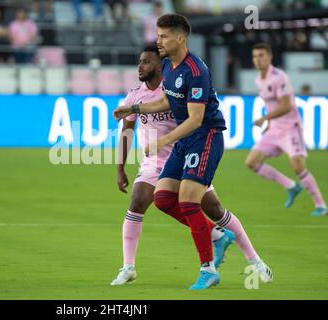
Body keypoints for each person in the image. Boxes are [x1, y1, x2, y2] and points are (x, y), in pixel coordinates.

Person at [111, 44, 273, 287]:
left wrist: (171, 139)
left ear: (159, 65)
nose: (140, 66)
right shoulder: (135, 95)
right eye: (140, 62)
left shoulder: (179, 86)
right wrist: (120, 167)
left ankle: (254, 259)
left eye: (146, 62)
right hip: (155, 163)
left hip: (185, 154)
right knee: (139, 200)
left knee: (215, 209)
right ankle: (128, 267)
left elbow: (195, 118)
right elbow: (127, 132)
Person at [114, 13, 228, 290]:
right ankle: (130, 266)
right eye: (158, 35)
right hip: (173, 151)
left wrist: (163, 142)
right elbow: (160, 104)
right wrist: (134, 109)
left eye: (164, 36)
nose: (159, 40)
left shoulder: (195, 70)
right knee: (160, 200)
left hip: (199, 141)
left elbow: (196, 119)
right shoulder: (168, 71)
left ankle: (227, 260)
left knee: (205, 206)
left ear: (180, 38)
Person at [245, 43, 326, 217]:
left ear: (269, 57)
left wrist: (264, 119)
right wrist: (269, 124)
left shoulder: (279, 77)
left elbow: (286, 106)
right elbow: (270, 105)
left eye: (261, 55)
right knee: (252, 161)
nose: (257, 60)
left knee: (297, 166)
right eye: (254, 56)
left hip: (290, 127)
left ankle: (320, 205)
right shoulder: (259, 79)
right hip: (274, 128)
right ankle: (291, 186)